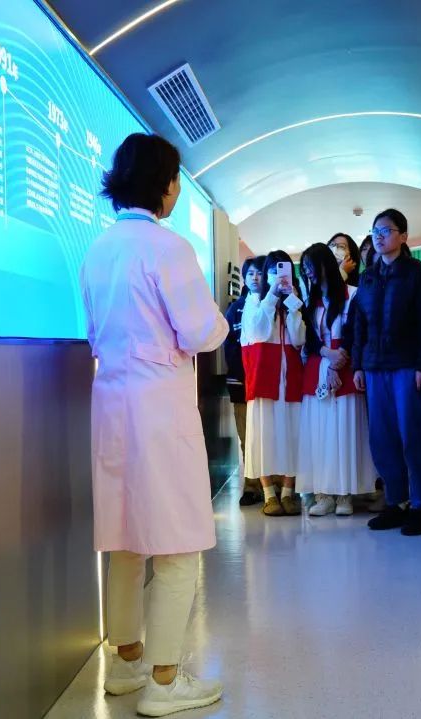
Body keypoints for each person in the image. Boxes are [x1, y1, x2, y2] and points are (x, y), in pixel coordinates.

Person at [80, 132, 225, 716]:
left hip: (111, 403)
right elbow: (201, 331)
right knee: (177, 542)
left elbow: (93, 332)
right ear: (163, 185)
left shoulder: (97, 250)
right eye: (175, 180)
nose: (176, 191)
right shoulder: (168, 248)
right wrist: (219, 321)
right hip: (160, 407)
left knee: (124, 538)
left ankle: (127, 663)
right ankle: (165, 682)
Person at [352, 209, 421, 536]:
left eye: (386, 231)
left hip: (408, 366)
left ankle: (420, 507)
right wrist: (358, 364)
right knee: (382, 438)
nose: (379, 236)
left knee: (412, 435)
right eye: (375, 231)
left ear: (403, 236)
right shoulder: (368, 276)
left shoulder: (419, 274)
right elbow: (359, 325)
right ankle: (396, 502)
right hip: (375, 367)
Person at [296, 243, 376, 514]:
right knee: (319, 433)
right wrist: (326, 353)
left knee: (344, 431)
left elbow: (357, 332)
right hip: (318, 369)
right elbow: (309, 339)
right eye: (304, 268)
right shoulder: (311, 302)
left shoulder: (353, 294)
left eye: (310, 266)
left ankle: (344, 495)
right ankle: (323, 494)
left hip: (346, 368)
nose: (308, 272)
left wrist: (338, 360)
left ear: (325, 264)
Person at [241, 251, 307, 517]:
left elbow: (299, 339)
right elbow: (258, 332)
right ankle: (269, 494)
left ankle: (289, 493)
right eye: (272, 270)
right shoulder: (254, 301)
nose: (277, 276)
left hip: (290, 379)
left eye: (283, 270)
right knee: (263, 436)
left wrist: (292, 304)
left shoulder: (293, 302)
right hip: (263, 380)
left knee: (293, 434)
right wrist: (271, 295)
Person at [224, 256, 266, 506]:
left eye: (259, 273)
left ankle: (278, 485)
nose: (255, 278)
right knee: (246, 436)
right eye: (250, 273)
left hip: (269, 383)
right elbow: (230, 346)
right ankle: (251, 485)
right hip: (242, 383)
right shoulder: (235, 308)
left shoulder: (275, 304)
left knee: (271, 434)